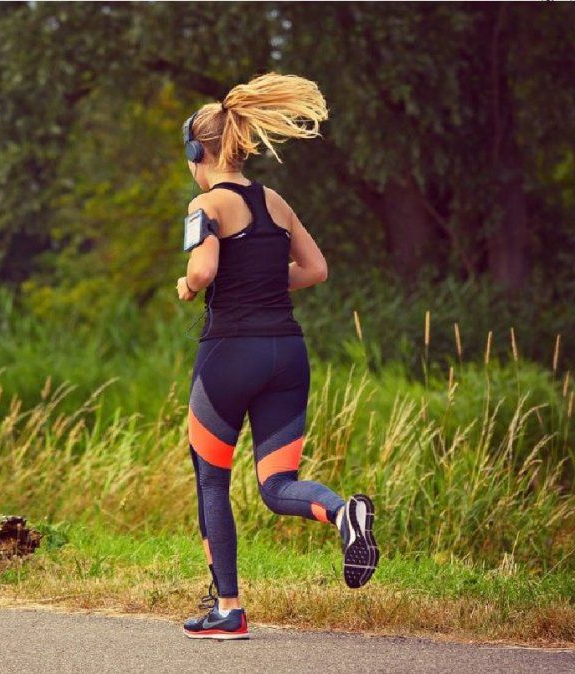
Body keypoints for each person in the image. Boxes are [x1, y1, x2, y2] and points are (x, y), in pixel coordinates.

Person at [176, 72, 379, 641]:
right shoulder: (275, 201)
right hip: (287, 355)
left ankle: (230, 609)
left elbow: (205, 269)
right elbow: (316, 270)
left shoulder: (205, 203)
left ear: (199, 151)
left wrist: (191, 287)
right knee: (277, 484)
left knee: (212, 481)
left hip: (229, 358)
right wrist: (262, 281)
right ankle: (342, 513)